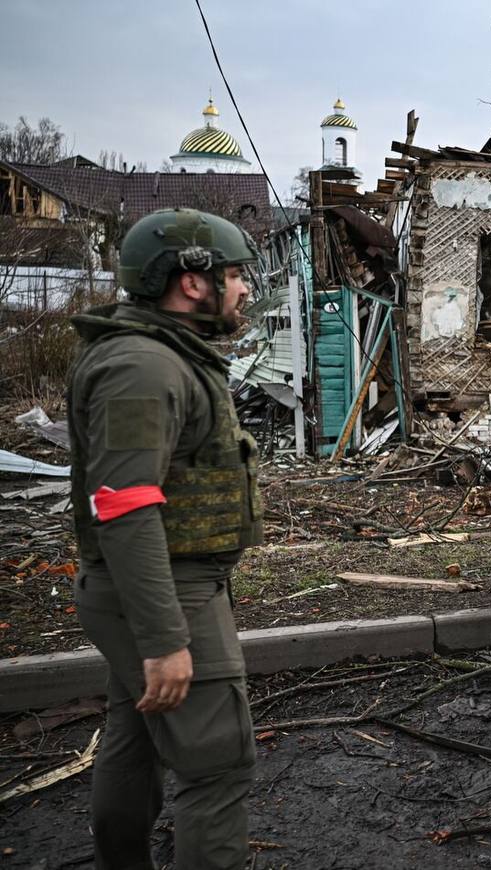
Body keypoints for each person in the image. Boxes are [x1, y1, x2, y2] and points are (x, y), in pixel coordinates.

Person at [67, 207, 262, 869]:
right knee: (217, 766)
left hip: (155, 585)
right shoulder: (142, 369)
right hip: (164, 591)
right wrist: (165, 639)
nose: (245, 290)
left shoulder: (159, 355)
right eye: (234, 275)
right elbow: (123, 507)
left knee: (135, 734)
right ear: (191, 282)